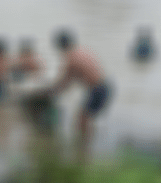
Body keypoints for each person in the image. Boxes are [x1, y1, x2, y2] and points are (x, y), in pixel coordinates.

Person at [46, 29, 112, 157]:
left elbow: (64, 82)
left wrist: (50, 91)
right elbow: (71, 80)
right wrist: (57, 88)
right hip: (104, 86)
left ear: (60, 46)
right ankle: (86, 148)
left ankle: (84, 150)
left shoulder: (70, 58)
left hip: (97, 89)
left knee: (82, 120)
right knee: (84, 119)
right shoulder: (81, 51)